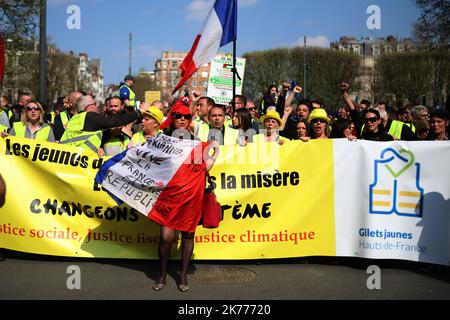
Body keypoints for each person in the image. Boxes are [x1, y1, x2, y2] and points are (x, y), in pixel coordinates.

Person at [152, 98, 219, 293]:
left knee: (188, 234)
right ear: (172, 119)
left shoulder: (196, 142)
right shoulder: (162, 140)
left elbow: (202, 168)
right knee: (166, 237)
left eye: (186, 116)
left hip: (191, 195)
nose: (182, 119)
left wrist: (214, 155)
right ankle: (162, 274)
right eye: (178, 116)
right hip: (170, 195)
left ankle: (182, 274)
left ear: (190, 119)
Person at [60, 95, 147, 154]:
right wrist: (140, 111)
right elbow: (116, 121)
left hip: (69, 156)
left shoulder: (74, 119)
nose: (97, 106)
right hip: (81, 157)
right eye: (94, 104)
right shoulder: (90, 116)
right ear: (87, 108)